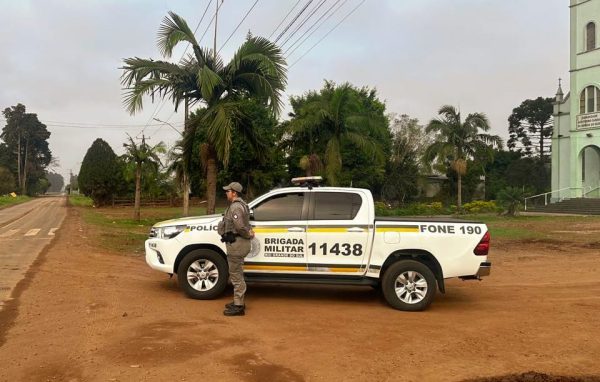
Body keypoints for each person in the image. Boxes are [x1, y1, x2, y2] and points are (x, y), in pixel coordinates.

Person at [218, 181, 254, 316]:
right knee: (236, 273)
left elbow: (239, 226)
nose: (226, 193)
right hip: (237, 243)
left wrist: (248, 234)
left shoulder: (236, 207)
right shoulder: (239, 205)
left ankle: (239, 306)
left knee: (236, 275)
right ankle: (238, 301)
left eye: (228, 191)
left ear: (234, 193)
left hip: (237, 244)